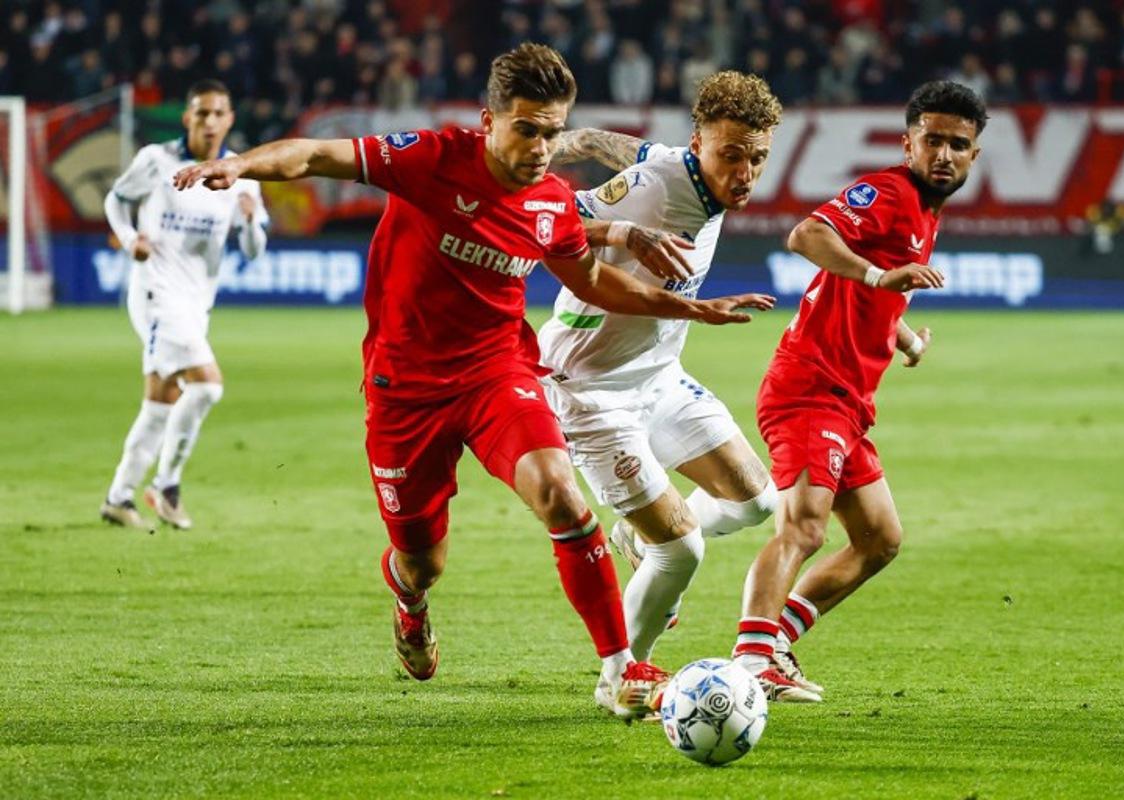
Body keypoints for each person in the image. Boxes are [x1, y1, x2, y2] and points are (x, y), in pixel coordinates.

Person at [172, 43, 773, 720]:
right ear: (489, 121)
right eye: (527, 130)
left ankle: (620, 670)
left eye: (552, 133)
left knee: (561, 496)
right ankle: (410, 601)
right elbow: (314, 154)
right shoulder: (430, 158)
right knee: (421, 561)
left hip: (498, 373)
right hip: (406, 390)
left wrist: (689, 307)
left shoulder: (549, 201)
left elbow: (594, 282)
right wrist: (239, 166)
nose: (541, 149)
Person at [542, 71, 820, 699]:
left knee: (755, 501)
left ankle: (635, 539)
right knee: (683, 549)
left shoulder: (682, 167)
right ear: (699, 144)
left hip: (659, 377)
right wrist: (620, 231)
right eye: (731, 155)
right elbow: (544, 223)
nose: (745, 173)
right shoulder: (652, 192)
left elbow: (630, 147)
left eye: (757, 158)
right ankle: (622, 677)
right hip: (590, 388)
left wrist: (579, 139)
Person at [732, 81, 987, 696]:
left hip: (847, 402)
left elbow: (876, 296)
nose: (944, 155)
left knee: (879, 540)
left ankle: (776, 642)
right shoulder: (890, 193)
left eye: (958, 145)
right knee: (804, 528)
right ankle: (751, 663)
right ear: (907, 144)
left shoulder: (925, 211)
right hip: (810, 388)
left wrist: (906, 340)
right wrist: (877, 273)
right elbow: (806, 236)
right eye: (932, 140)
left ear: (974, 155)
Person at [101, 78, 268, 531]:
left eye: (218, 113)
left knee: (162, 400)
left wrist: (249, 221)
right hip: (156, 292)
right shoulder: (156, 160)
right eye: (202, 112)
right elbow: (116, 199)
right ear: (187, 117)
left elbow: (254, 251)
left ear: (230, 120)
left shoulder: (241, 173)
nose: (209, 121)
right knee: (207, 385)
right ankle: (167, 486)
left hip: (196, 302)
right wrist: (129, 239)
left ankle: (118, 497)